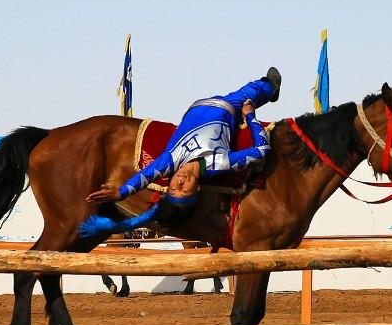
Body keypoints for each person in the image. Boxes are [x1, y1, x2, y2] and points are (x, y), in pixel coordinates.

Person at [79, 69, 281, 237]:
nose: (179, 182)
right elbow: (261, 150)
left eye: (174, 188)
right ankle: (271, 88)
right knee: (255, 90)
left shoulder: (170, 161)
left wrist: (120, 192)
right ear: (196, 191)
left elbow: (145, 176)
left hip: (195, 107)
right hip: (227, 107)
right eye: (184, 190)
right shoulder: (218, 163)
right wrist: (250, 116)